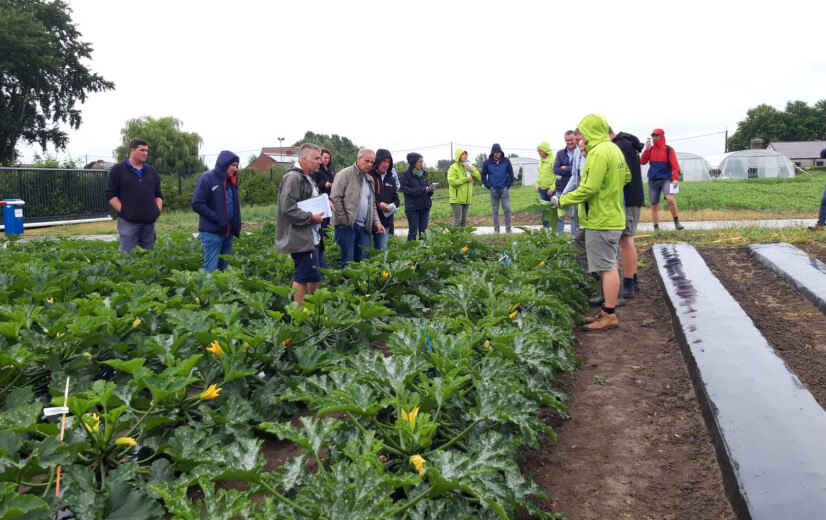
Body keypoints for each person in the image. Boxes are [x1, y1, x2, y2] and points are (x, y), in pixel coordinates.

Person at [555, 115, 630, 331]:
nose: (581, 137)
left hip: (601, 219)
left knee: (607, 267)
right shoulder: (613, 149)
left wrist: (563, 200)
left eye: (584, 132)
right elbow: (626, 177)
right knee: (608, 263)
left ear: (592, 131)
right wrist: (610, 192)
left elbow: (588, 188)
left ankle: (609, 315)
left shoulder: (597, 153)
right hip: (610, 215)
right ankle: (606, 311)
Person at [275, 143, 325, 305]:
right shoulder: (293, 177)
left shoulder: (307, 176)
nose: (320, 161)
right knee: (303, 276)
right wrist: (311, 218)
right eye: (316, 158)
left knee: (314, 275)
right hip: (300, 237)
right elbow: (288, 208)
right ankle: (299, 314)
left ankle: (310, 308)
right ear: (304, 158)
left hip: (311, 236)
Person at [105, 138, 163, 251]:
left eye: (146, 150)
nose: (145, 153)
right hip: (128, 222)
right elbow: (111, 195)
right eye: (141, 150)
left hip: (149, 223)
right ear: (132, 151)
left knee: (148, 256)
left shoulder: (152, 171)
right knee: (128, 256)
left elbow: (158, 194)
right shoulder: (118, 170)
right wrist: (125, 211)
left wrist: (157, 210)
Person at [331, 148, 385, 267]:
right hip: (347, 226)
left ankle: (360, 286)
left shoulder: (369, 179)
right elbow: (335, 198)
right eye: (367, 161)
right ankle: (347, 285)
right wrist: (344, 221)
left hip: (364, 226)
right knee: (349, 262)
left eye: (372, 162)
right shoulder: (345, 174)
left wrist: (377, 223)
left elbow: (372, 205)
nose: (370, 165)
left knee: (363, 261)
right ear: (358, 159)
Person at [191, 151, 241, 272]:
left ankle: (221, 291)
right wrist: (217, 218)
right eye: (233, 165)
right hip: (212, 232)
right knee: (211, 269)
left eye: (236, 166)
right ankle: (208, 291)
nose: (235, 168)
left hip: (228, 232)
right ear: (224, 164)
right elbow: (197, 204)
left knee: (224, 268)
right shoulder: (207, 178)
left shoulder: (231, 182)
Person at [610, 128, 644, 297]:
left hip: (629, 199)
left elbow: (624, 176)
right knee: (626, 240)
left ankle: (628, 286)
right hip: (630, 198)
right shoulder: (622, 143)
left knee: (625, 240)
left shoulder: (621, 146)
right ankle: (634, 281)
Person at [641, 128, 684, 230]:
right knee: (654, 205)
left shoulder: (669, 149)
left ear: (662, 136)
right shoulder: (650, 150)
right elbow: (642, 162)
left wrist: (675, 178)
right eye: (653, 136)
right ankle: (656, 229)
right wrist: (646, 150)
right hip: (653, 180)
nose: (654, 137)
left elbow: (675, 166)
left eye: (656, 135)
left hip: (666, 179)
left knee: (670, 198)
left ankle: (677, 223)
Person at [481, 143, 514, 233]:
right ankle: (496, 230)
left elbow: (510, 174)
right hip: (493, 190)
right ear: (493, 153)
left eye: (499, 152)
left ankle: (508, 229)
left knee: (507, 209)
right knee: (495, 210)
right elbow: (483, 176)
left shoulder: (506, 161)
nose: (498, 154)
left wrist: (508, 186)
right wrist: (489, 187)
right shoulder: (487, 163)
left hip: (504, 189)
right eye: (496, 152)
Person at [370, 149, 400, 250]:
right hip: (369, 221)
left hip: (385, 221)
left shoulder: (391, 178)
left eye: (388, 162)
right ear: (377, 161)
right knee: (364, 252)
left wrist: (394, 205)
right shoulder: (369, 176)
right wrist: (379, 204)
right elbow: (365, 196)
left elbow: (396, 198)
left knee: (381, 251)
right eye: (383, 161)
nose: (386, 164)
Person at [400, 153, 434, 240]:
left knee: (424, 233)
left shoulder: (423, 174)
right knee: (413, 232)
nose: (421, 163)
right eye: (419, 161)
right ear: (413, 162)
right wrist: (423, 189)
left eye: (422, 161)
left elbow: (425, 190)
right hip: (413, 208)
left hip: (425, 206)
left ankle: (423, 252)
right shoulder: (406, 175)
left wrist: (430, 191)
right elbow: (407, 190)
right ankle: (411, 252)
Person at [447, 149, 481, 227]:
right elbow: (452, 182)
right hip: (457, 199)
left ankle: (462, 238)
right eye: (463, 154)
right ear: (458, 156)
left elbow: (478, 178)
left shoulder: (469, 166)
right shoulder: (453, 167)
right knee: (457, 220)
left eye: (466, 154)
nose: (465, 156)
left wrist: (471, 170)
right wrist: (466, 179)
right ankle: (454, 239)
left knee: (463, 221)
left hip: (467, 199)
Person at [553, 131, 578, 234]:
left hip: (574, 189)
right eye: (567, 140)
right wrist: (572, 170)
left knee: (574, 216)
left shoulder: (579, 152)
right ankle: (558, 239)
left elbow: (578, 170)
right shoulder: (560, 153)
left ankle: (574, 239)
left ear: (575, 139)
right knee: (559, 215)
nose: (569, 142)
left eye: (571, 139)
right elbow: (556, 169)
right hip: (561, 188)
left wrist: (565, 168)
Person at [535, 142, 555, 228]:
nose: (539, 153)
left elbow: (558, 175)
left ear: (546, 150)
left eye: (540, 151)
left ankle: (554, 231)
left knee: (554, 211)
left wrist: (553, 188)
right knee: (544, 211)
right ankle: (546, 230)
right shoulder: (541, 161)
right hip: (542, 190)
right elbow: (540, 174)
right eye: (538, 151)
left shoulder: (553, 159)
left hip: (552, 190)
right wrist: (537, 184)